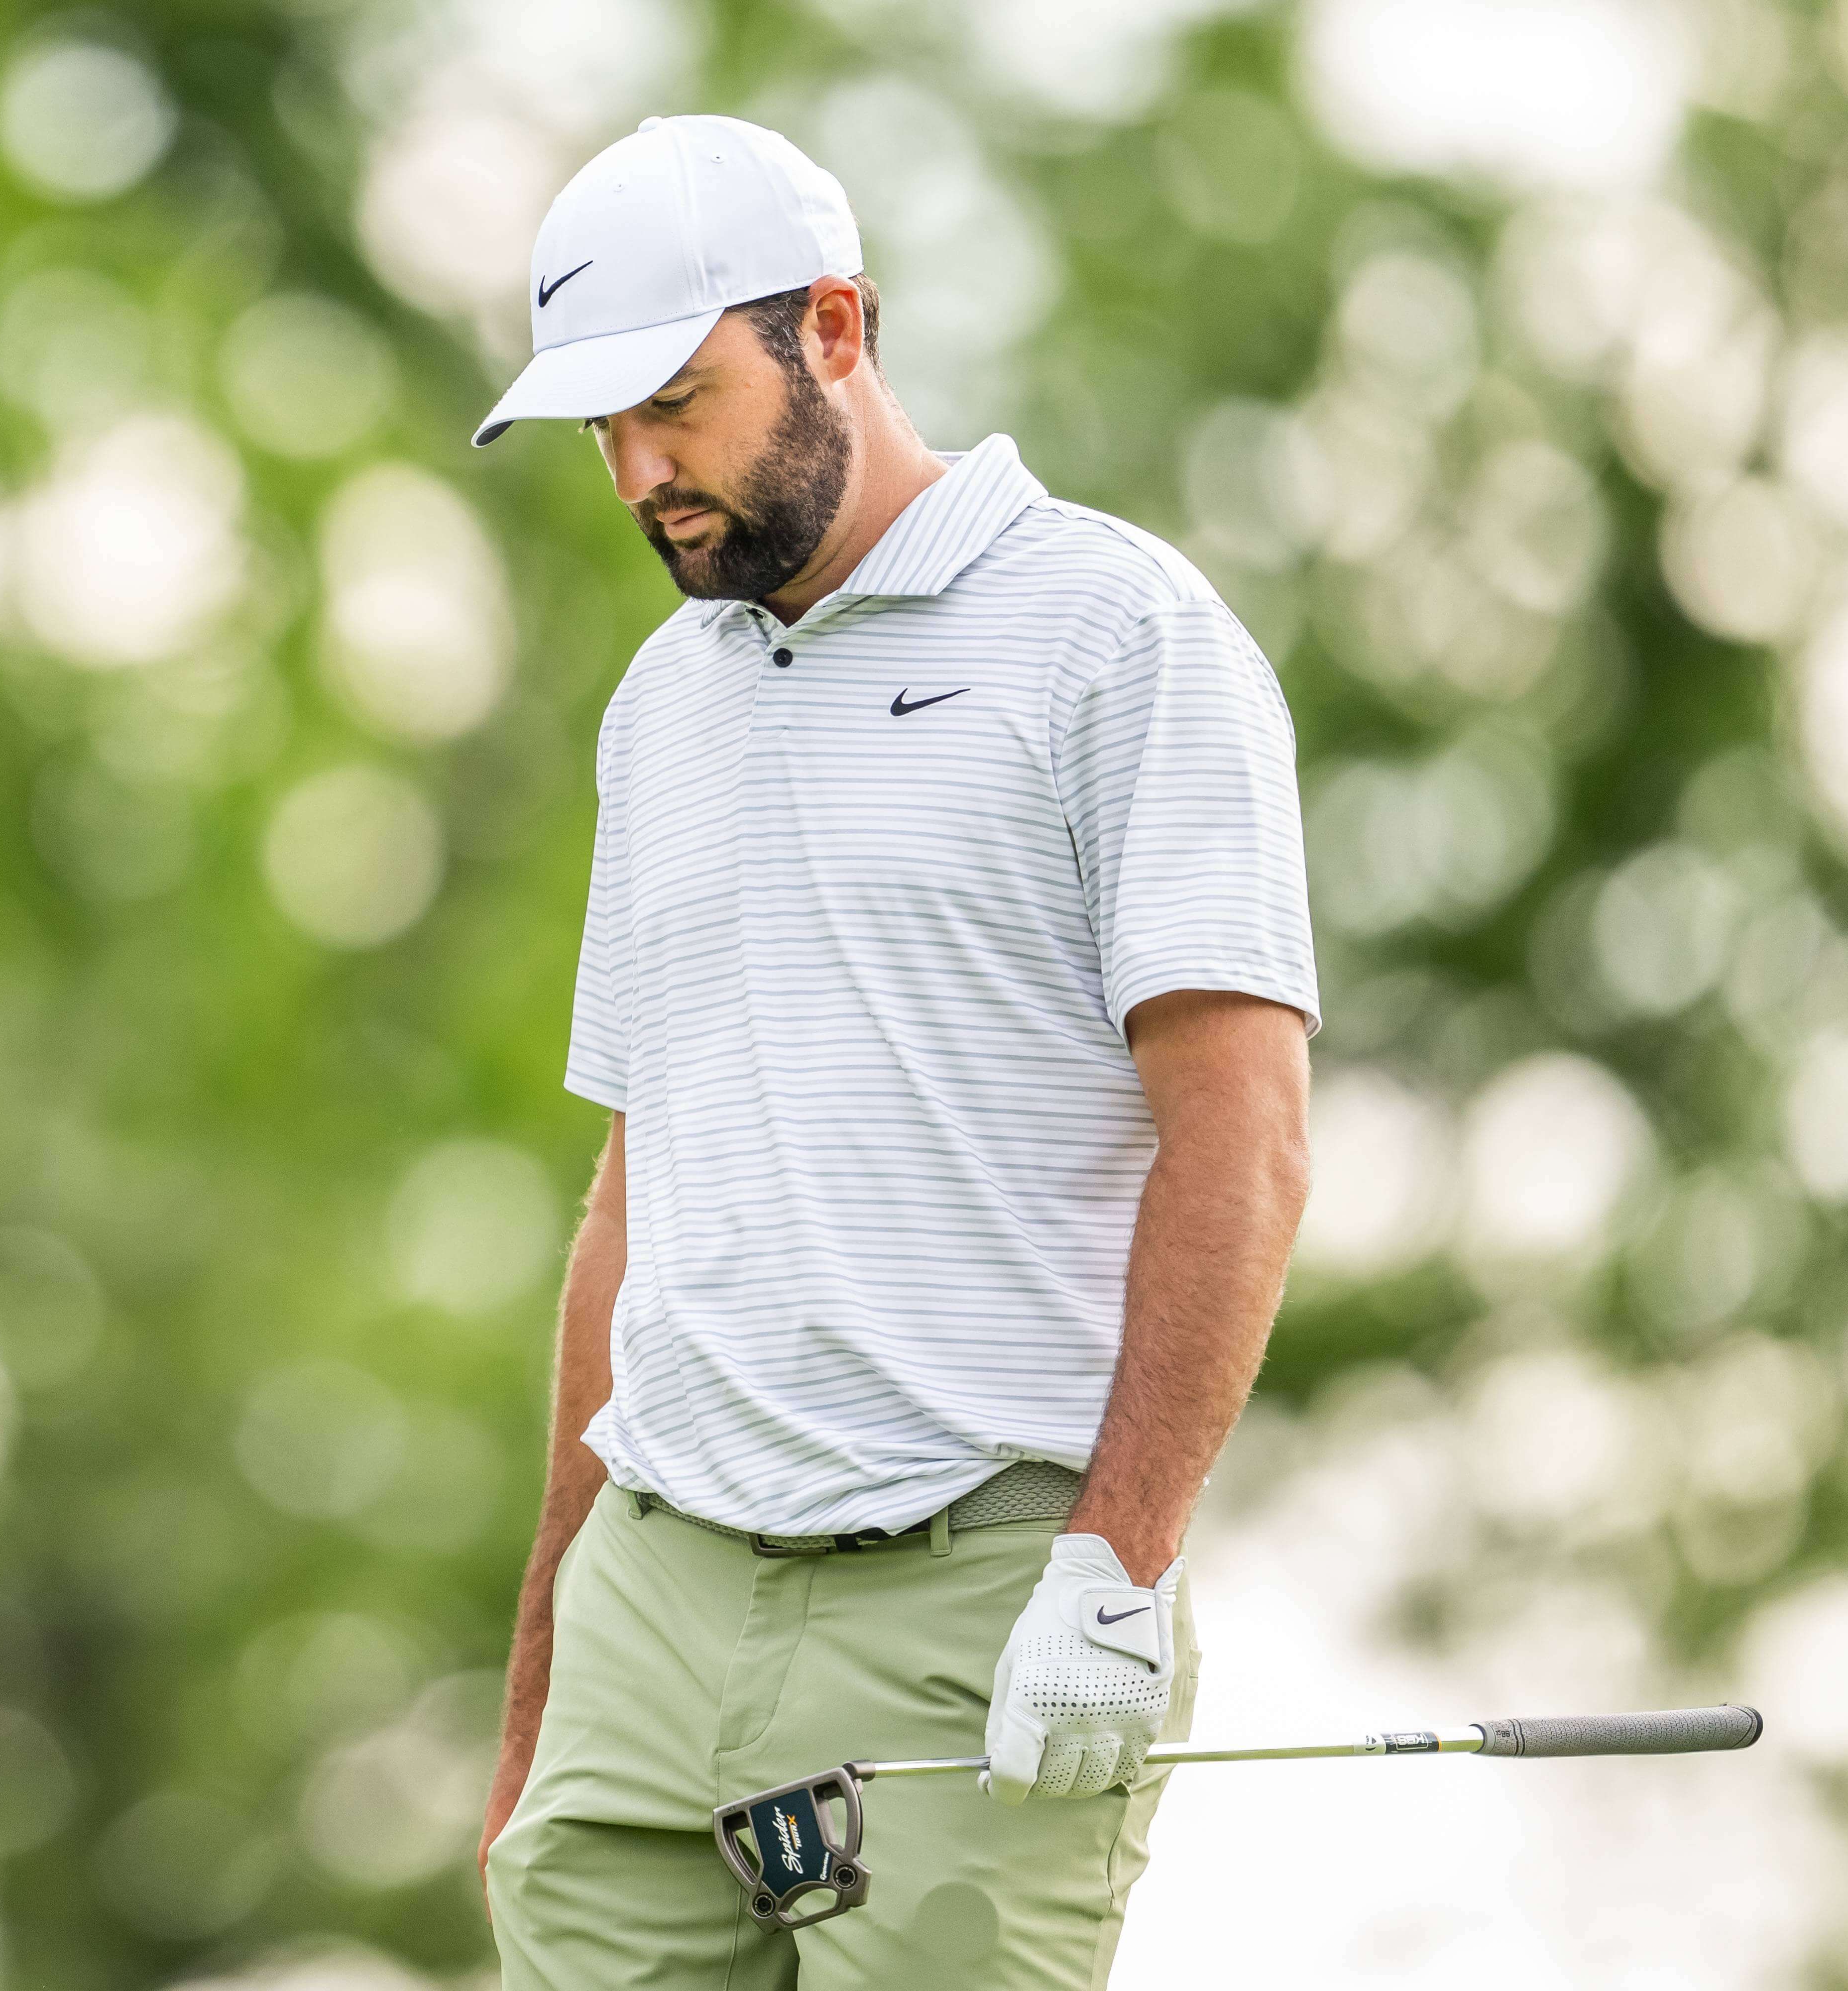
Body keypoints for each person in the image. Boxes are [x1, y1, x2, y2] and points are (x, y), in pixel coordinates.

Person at [469, 115, 1319, 1988]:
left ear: (834, 329)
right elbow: (639, 1192)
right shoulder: (659, 706)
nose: (638, 476)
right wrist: (546, 1655)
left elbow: (1241, 1145)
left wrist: (1114, 1571)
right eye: (601, 431)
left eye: (677, 405)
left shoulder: (1120, 639)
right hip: (657, 1588)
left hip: (977, 1594)